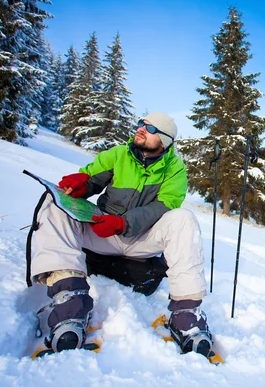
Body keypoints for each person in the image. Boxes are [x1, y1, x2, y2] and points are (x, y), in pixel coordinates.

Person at [30, 112, 212, 356]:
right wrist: (82, 184)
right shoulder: (118, 154)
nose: (141, 129)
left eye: (151, 128)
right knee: (55, 204)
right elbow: (91, 176)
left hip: (142, 240)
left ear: (165, 141)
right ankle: (69, 303)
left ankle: (187, 317)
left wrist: (123, 223)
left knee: (183, 218)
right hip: (103, 234)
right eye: (141, 123)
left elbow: (165, 205)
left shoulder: (175, 168)